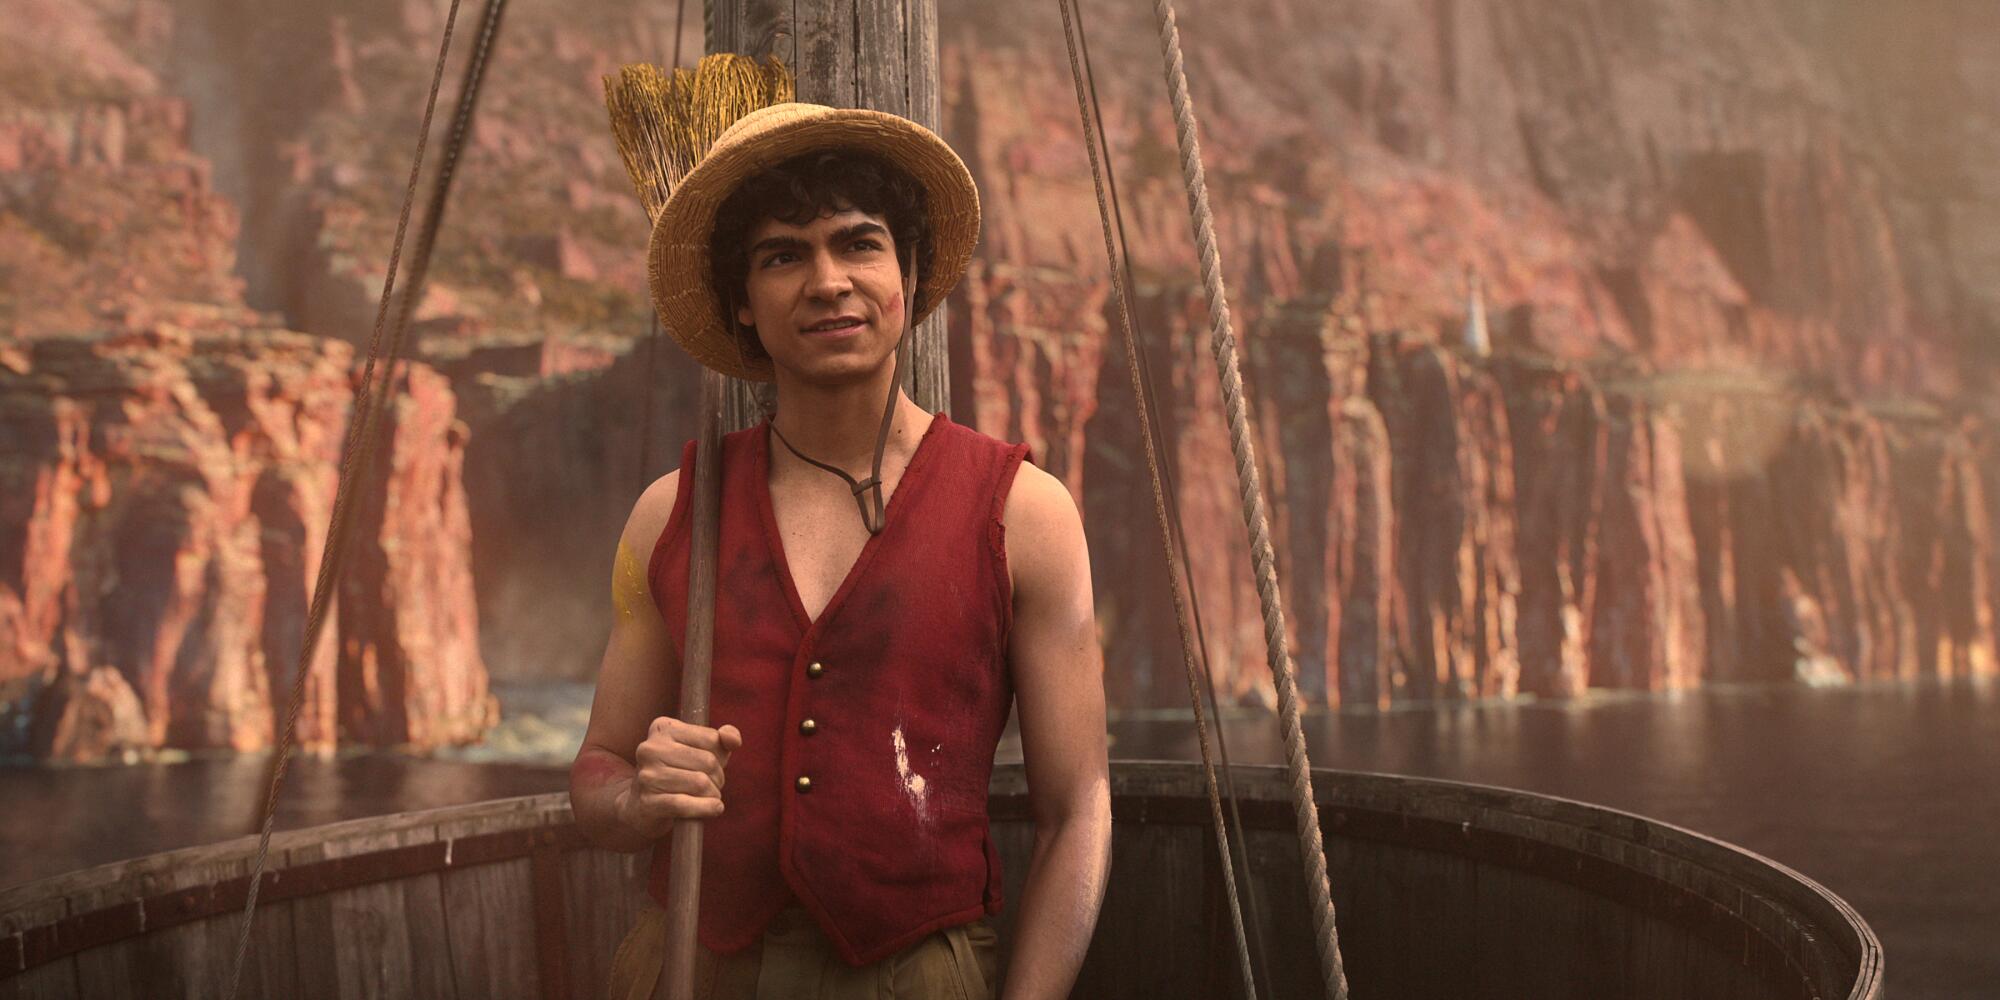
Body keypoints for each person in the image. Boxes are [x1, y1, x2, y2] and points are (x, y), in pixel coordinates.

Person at [569, 102, 1112, 1000]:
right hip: (691, 972)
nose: (828, 281)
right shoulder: (671, 514)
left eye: (859, 244)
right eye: (782, 255)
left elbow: (1077, 810)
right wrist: (633, 798)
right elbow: (598, 768)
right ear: (741, 301)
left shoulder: (1026, 513)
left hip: (918, 977)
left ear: (908, 272)